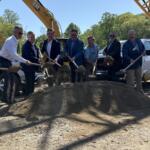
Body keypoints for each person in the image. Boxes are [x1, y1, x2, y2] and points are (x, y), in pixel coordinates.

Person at [0, 26, 30, 103]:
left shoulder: (15, 40)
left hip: (7, 61)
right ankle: (8, 99)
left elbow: (13, 55)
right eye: (20, 33)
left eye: (22, 33)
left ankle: (7, 98)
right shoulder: (10, 41)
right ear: (15, 33)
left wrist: (18, 62)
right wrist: (25, 61)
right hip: (3, 60)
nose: (21, 35)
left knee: (12, 79)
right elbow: (13, 55)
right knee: (10, 80)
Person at [22, 31, 40, 96]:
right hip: (27, 67)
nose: (32, 38)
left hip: (33, 67)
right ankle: (28, 95)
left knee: (32, 81)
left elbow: (36, 54)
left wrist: (39, 59)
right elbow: (29, 56)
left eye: (33, 37)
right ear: (28, 37)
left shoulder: (34, 46)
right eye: (31, 37)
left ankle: (31, 95)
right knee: (29, 82)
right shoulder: (26, 45)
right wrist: (38, 60)